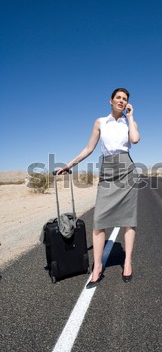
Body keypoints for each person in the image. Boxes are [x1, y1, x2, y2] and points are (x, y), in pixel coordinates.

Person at [56, 88, 140, 287]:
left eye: (125, 99)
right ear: (110, 100)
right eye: (118, 98)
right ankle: (97, 267)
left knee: (129, 220)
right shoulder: (100, 122)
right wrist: (69, 165)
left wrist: (131, 117)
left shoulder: (130, 122)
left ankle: (127, 261)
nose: (121, 101)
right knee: (99, 221)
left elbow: (135, 140)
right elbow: (89, 148)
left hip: (126, 169)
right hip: (107, 171)